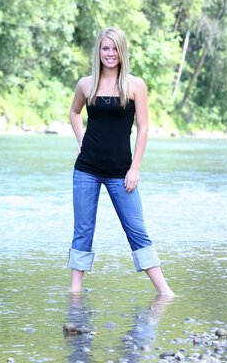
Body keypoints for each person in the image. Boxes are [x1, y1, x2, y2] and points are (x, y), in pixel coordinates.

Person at [67, 26, 174, 296]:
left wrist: (135, 168)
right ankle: (75, 290)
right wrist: (81, 141)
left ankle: (164, 291)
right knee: (83, 229)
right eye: (105, 48)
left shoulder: (135, 85)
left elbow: (144, 128)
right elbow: (74, 112)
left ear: (122, 51)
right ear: (98, 51)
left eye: (115, 48)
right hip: (87, 170)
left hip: (121, 172)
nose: (110, 53)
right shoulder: (86, 84)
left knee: (137, 230)